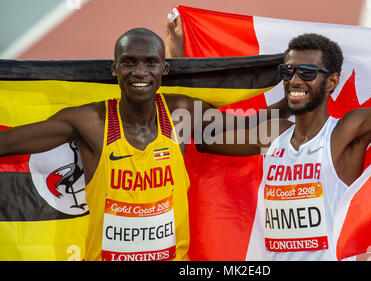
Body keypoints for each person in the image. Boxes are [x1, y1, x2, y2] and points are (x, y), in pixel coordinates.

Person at [0, 27, 287, 261]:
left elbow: (248, 124)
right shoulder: (89, 122)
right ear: (115, 68)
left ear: (164, 67)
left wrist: (291, 99)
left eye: (150, 62)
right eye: (129, 62)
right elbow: (5, 143)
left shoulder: (180, 114)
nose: (140, 72)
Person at [195, 33, 371, 260]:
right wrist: (287, 103)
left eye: (306, 73)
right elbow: (207, 141)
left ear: (331, 82)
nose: (294, 80)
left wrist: (296, 97)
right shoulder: (274, 136)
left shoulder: (344, 134)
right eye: (288, 72)